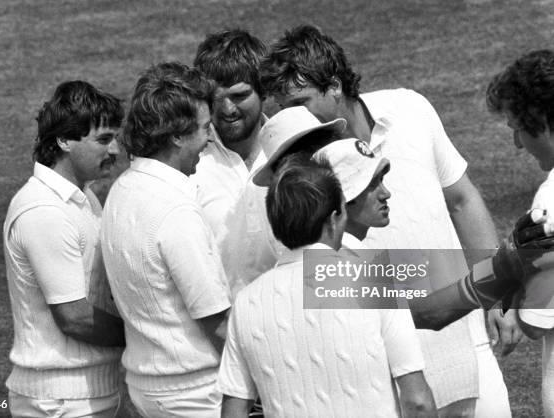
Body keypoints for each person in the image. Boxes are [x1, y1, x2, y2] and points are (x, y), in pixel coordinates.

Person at [259, 26, 511, 415]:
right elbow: (328, 282)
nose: (291, 117)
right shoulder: (299, 176)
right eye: (282, 108)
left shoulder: (410, 108)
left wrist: (495, 297)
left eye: (300, 102)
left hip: (468, 343)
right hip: (388, 372)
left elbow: (462, 200)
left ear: (335, 86)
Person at [218, 155, 436, 418]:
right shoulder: (374, 280)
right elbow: (418, 401)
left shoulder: (247, 302)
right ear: (335, 218)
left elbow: (233, 412)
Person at [101, 62, 231, 418]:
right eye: (205, 128)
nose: (209, 138)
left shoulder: (121, 190)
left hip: (148, 391)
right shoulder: (176, 211)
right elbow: (216, 320)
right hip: (196, 397)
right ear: (176, 134)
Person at [2, 80, 125, 417]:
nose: (115, 150)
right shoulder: (45, 211)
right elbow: (76, 318)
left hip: (83, 394)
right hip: (59, 402)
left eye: (115, 137)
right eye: (103, 139)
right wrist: (146, 336)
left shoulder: (83, 198)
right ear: (63, 140)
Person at [192, 29, 285, 298]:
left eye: (239, 96)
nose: (228, 110)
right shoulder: (189, 163)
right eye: (216, 99)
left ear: (264, 91)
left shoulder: (293, 149)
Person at [487, 48, 554, 417]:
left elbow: (539, 319)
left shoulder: (551, 200)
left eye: (517, 130)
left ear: (541, 121)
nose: (516, 145)